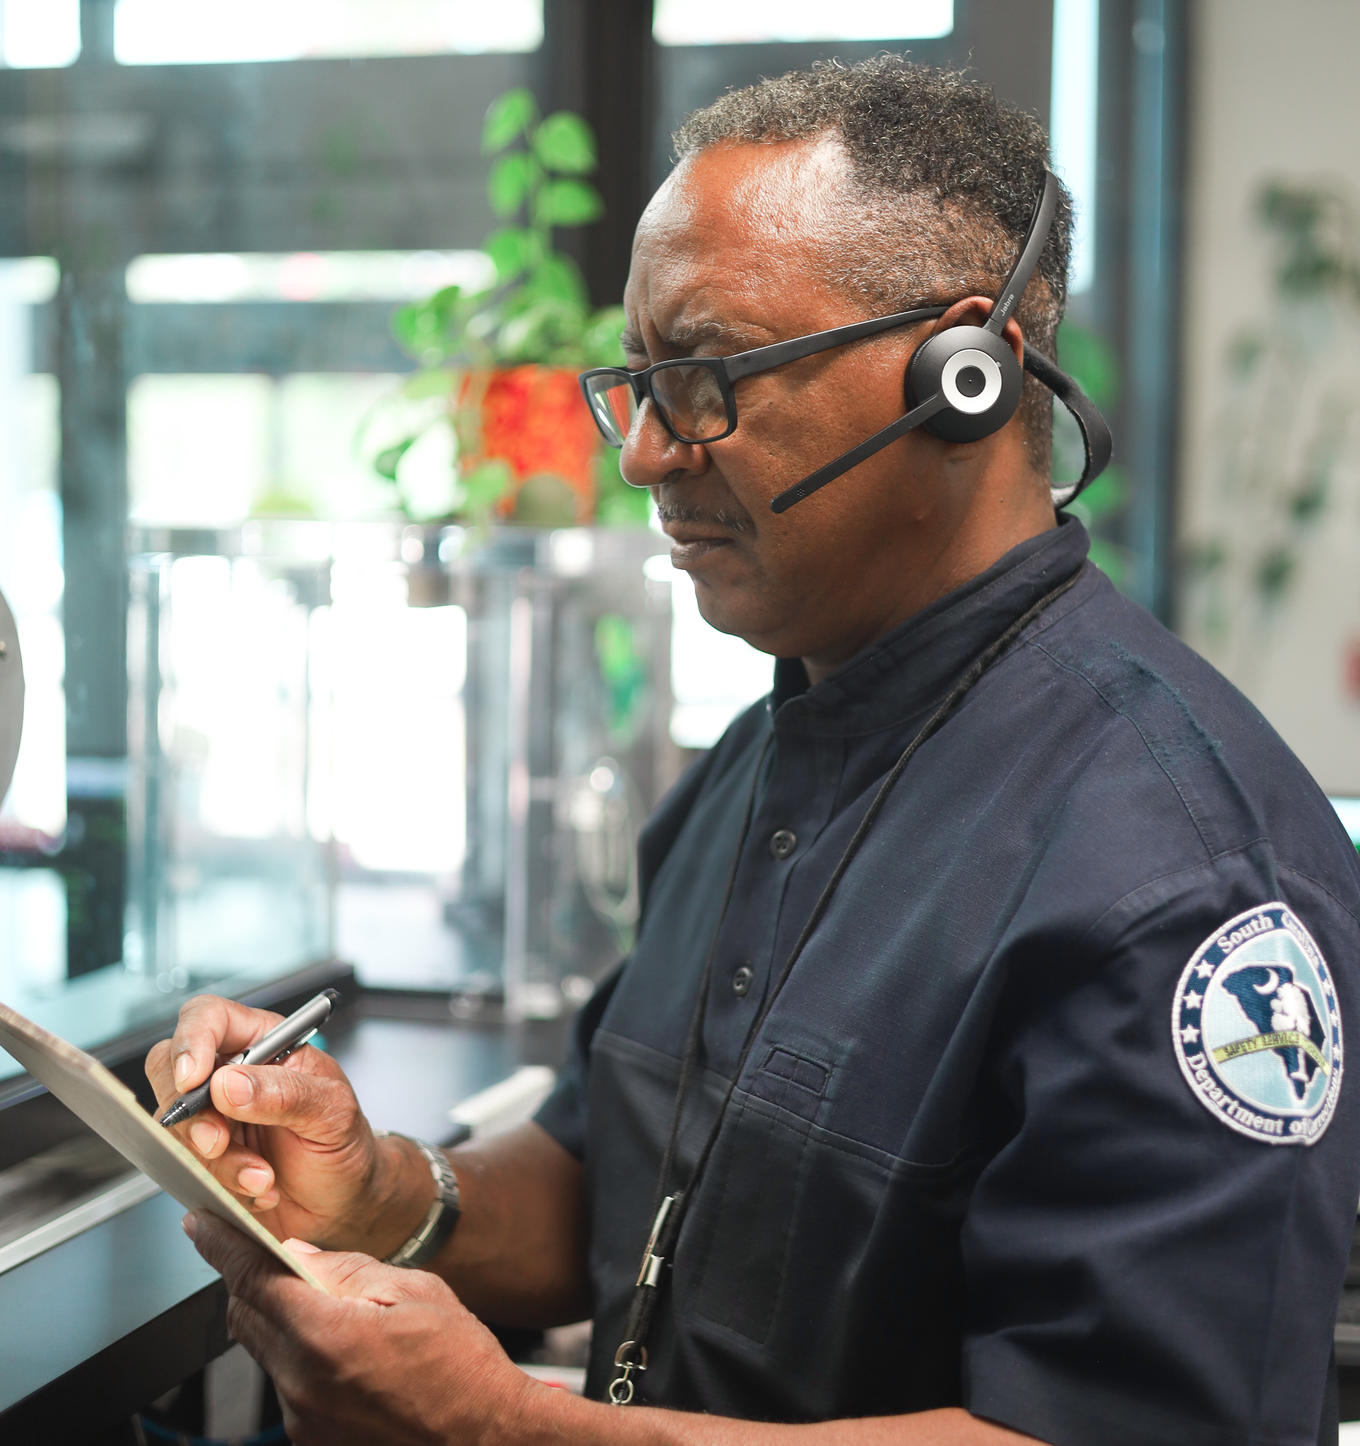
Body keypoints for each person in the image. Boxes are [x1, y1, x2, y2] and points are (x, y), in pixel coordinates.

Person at [147, 56, 1360, 1445]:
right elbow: (618, 1173)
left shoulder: (1181, 876)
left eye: (707, 376)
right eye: (639, 386)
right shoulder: (764, 761)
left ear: (960, 374)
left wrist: (507, 1428)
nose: (649, 454)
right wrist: (385, 1190)